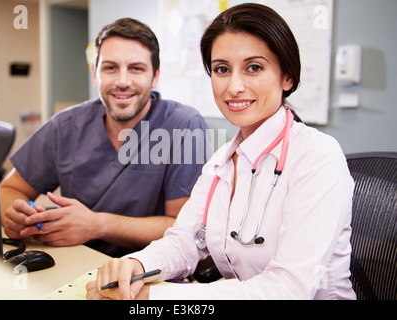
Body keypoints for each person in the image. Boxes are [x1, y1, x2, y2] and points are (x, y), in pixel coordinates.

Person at [86, 3, 356, 299]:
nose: (234, 86)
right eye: (222, 69)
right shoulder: (221, 161)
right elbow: (184, 241)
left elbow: (289, 288)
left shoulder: (318, 156)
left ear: (287, 77)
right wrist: (136, 266)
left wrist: (155, 298)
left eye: (254, 67)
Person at [0, 18, 211, 258]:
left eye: (136, 68)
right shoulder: (66, 126)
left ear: (155, 77)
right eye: (110, 68)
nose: (122, 82)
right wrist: (15, 214)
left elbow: (184, 227)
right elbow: (9, 188)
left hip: (153, 269)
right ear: (94, 74)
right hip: (76, 262)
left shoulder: (183, 125)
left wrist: (97, 225)